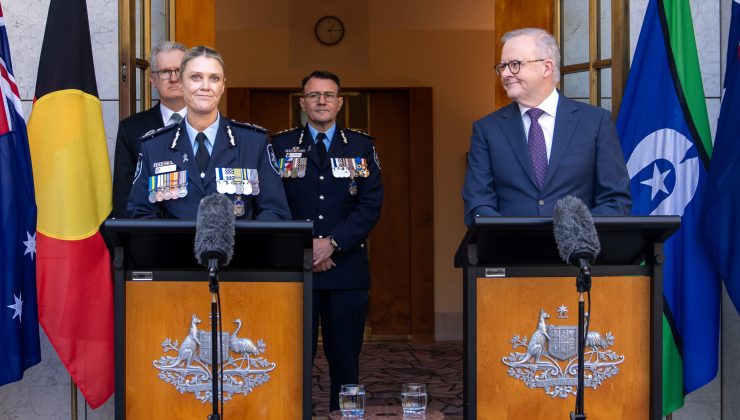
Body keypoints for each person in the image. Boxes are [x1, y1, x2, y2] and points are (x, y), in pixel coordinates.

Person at [271, 70, 383, 412]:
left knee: (346, 362)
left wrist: (332, 243)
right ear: (302, 103)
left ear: (340, 103)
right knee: (292, 359)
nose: (321, 101)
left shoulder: (361, 146)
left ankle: (344, 417)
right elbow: (273, 203)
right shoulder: (279, 146)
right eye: (313, 95)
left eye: (328, 95)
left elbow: (370, 204)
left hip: (346, 270)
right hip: (296, 269)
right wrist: (308, 247)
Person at [462, 28, 631, 225]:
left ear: (547, 67)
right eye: (502, 66)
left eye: (515, 65)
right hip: (510, 245)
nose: (505, 74)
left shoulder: (595, 122)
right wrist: (512, 237)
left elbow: (616, 201)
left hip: (577, 244)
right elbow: (478, 203)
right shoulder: (487, 130)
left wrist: (570, 233)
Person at [128, 45, 291, 220]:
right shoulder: (154, 146)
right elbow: (141, 216)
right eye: (196, 77)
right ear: (181, 84)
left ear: (222, 86)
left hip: (237, 239)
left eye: (214, 78)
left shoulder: (253, 143)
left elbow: (275, 213)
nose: (205, 86)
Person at [112, 41, 188, 218]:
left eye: (179, 70)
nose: (174, 78)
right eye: (165, 72)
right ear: (152, 80)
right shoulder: (131, 129)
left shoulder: (212, 126)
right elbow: (124, 198)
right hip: (151, 231)